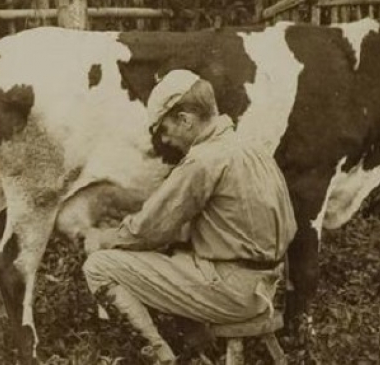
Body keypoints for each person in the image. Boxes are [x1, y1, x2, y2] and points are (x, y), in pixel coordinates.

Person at [82, 69, 297, 364]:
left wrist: (104, 237)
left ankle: (161, 356)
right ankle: (197, 346)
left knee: (98, 266)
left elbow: (148, 230)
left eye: (165, 130)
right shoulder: (253, 149)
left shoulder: (203, 159)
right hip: (270, 285)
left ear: (186, 120)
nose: (166, 141)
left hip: (235, 293)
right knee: (176, 253)